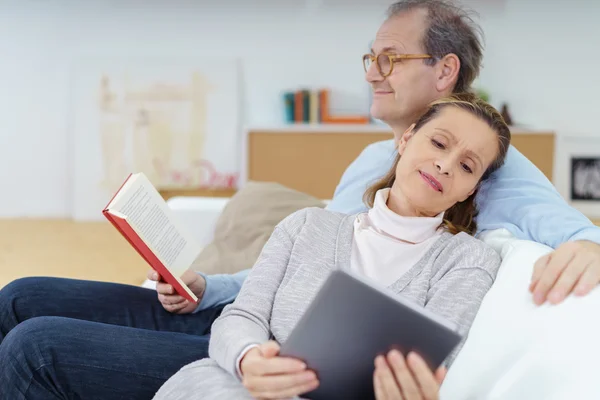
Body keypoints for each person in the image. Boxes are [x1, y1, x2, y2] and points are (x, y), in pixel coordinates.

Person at [0, 0, 598, 398]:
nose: (372, 71)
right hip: (241, 317)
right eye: (371, 57)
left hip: (293, 355)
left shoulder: (490, 167)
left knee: (36, 345)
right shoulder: (371, 161)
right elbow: (300, 256)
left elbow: (571, 228)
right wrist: (213, 287)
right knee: (21, 297)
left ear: (445, 71)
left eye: (390, 57)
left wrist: (591, 245)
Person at [152, 93, 511, 400]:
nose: (445, 165)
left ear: (470, 189)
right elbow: (244, 315)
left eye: (466, 166)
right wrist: (248, 359)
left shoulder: (467, 260)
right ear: (406, 140)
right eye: (438, 143)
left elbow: (432, 367)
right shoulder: (307, 225)